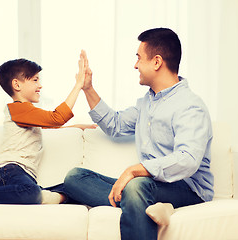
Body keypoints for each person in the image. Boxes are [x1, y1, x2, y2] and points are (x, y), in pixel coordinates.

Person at [64, 28, 214, 240]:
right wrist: (88, 88)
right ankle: (154, 204)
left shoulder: (190, 106)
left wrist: (134, 171)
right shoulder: (147, 103)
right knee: (75, 178)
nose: (135, 65)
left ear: (156, 62)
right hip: (151, 186)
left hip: (187, 189)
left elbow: (188, 160)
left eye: (139, 58)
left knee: (135, 187)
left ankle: (145, 199)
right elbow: (114, 124)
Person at [0, 50, 95, 205]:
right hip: (9, 171)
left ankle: (36, 193)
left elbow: (52, 127)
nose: (40, 85)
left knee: (74, 188)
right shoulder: (18, 109)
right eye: (35, 80)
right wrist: (78, 85)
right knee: (30, 193)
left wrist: (79, 127)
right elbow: (56, 118)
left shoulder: (26, 113)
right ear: (17, 84)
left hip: (22, 175)